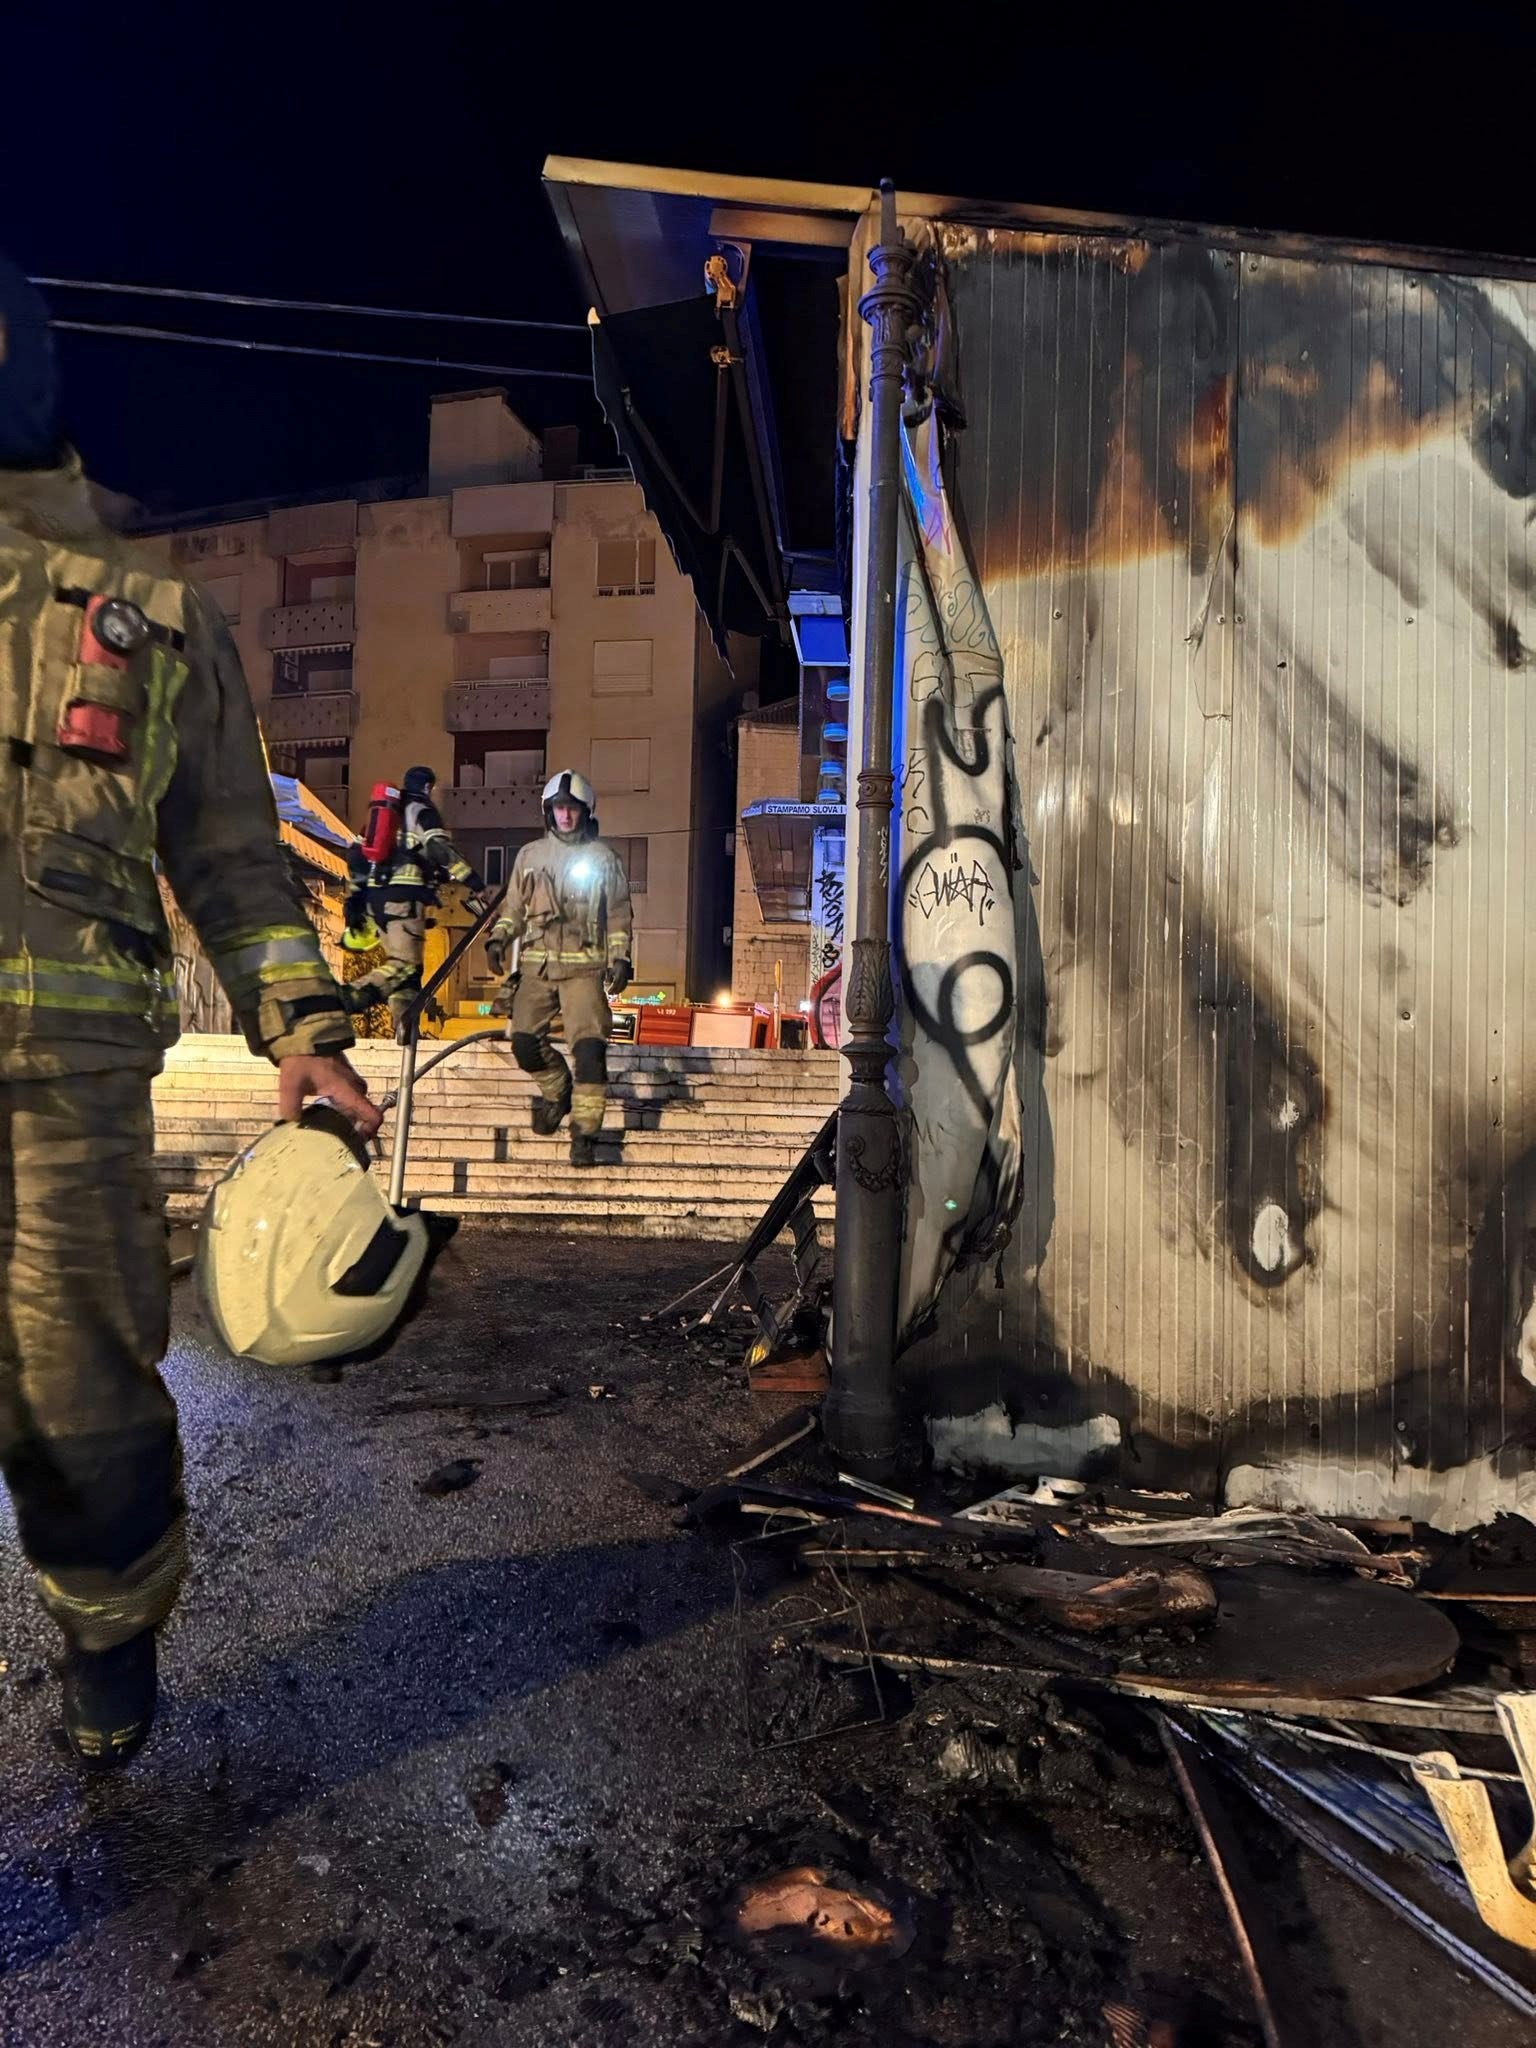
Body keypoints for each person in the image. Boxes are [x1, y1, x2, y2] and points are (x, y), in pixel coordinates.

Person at [0, 258, 379, 1770]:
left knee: (78, 1389)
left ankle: (108, 1638)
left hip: (68, 1089)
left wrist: (306, 1033)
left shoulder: (152, 615)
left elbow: (228, 850)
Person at [487, 769, 632, 1166]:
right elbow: (514, 908)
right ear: (548, 811)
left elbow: (618, 914)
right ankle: (557, 1093)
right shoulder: (530, 856)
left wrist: (620, 957)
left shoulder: (603, 859)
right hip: (538, 968)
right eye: (559, 808)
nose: (565, 815)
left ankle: (584, 1135)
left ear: (586, 811)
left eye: (572, 808)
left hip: (585, 970)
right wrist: (498, 939)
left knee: (589, 1053)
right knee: (523, 1044)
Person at [340, 765, 484, 1035]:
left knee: (409, 974)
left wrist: (358, 896)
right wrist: (474, 881)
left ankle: (406, 1030)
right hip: (404, 900)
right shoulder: (422, 811)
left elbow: (356, 855)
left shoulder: (382, 816)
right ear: (428, 787)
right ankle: (342, 1001)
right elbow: (439, 848)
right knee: (404, 967)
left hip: (376, 902)